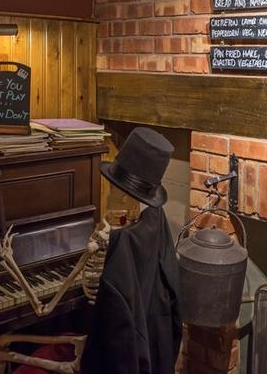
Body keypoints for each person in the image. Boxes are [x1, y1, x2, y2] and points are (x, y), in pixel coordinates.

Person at [81, 127, 183, 374]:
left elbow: (116, 334)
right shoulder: (156, 224)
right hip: (155, 353)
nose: (108, 198)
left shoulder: (124, 244)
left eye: (114, 189)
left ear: (126, 196)